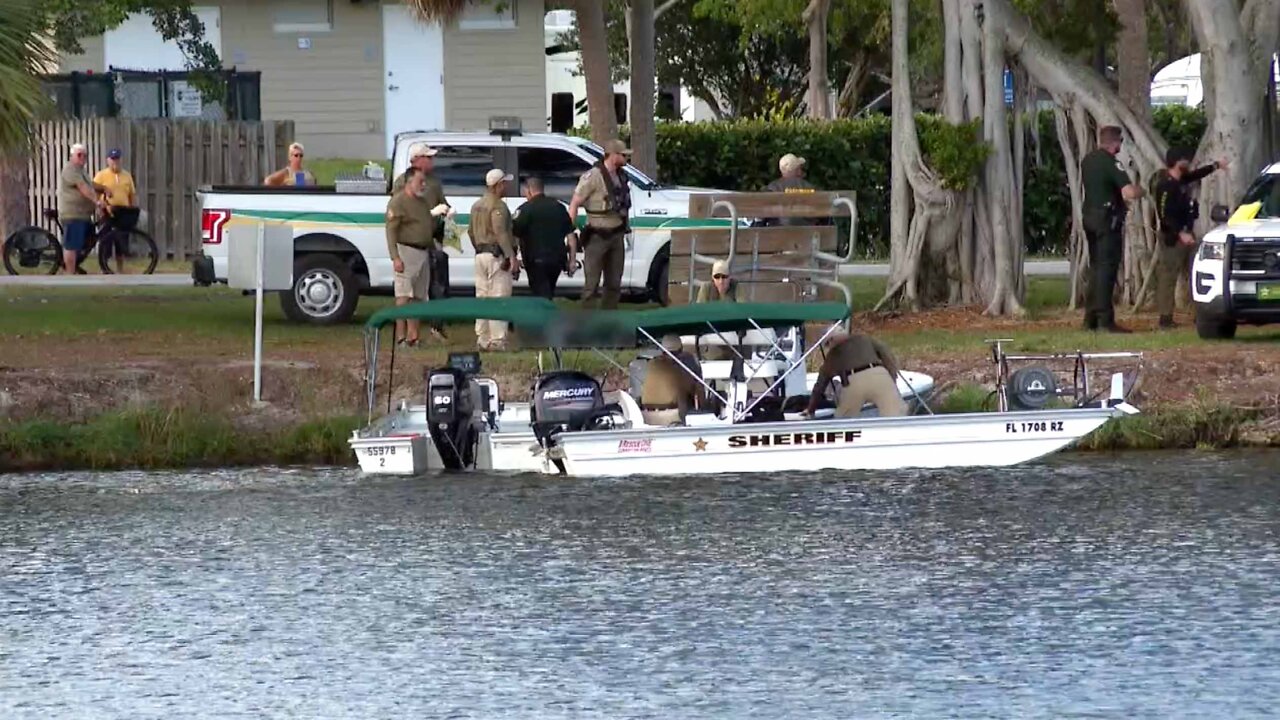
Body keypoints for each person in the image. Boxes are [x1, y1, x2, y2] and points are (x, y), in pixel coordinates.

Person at [1153, 147, 1227, 328]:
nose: (1188, 163)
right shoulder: (1165, 185)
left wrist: (1216, 165)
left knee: (1195, 273)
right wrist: (1180, 233)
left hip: (1188, 234)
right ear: (1177, 163)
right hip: (1173, 237)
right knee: (1168, 276)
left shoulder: (1181, 181)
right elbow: (1164, 215)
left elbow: (1196, 174)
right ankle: (1165, 318)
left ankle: (1200, 314)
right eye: (1185, 160)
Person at [1080, 126, 1145, 333]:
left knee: (1096, 267)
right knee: (1107, 270)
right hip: (1107, 220)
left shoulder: (1087, 160)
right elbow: (1128, 193)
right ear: (1116, 142)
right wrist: (1142, 189)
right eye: (1120, 143)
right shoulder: (1111, 163)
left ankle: (1090, 318)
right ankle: (1105, 321)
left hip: (1089, 216)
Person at [392, 142, 451, 337]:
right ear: (416, 160)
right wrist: (395, 256)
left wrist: (446, 211)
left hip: (428, 244)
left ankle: (415, 335)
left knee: (422, 292)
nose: (432, 161)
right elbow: (394, 223)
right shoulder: (403, 184)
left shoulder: (433, 182)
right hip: (407, 248)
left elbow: (441, 204)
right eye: (428, 157)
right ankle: (401, 336)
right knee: (403, 294)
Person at [567, 138, 631, 309]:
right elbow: (574, 203)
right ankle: (588, 321)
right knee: (592, 283)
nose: (626, 158)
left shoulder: (621, 176)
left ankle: (608, 318)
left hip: (616, 233)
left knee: (614, 281)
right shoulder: (593, 176)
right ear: (613, 155)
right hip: (597, 235)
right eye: (623, 155)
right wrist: (568, 231)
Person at [470, 169, 520, 350]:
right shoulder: (498, 206)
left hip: (480, 255)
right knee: (499, 297)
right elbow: (501, 232)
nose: (506, 186)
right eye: (504, 183)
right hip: (496, 257)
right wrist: (510, 256)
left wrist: (478, 247)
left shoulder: (476, 205)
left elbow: (470, 232)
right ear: (498, 185)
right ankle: (497, 340)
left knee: (482, 297)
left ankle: (482, 339)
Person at [803, 332, 907, 419]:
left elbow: (820, 385)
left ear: (831, 340)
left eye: (827, 344)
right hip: (880, 375)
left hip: (854, 382)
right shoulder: (865, 338)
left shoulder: (833, 355)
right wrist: (892, 378)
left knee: (844, 420)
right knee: (897, 415)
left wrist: (810, 409)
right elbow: (886, 353)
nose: (828, 347)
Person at [512, 176, 578, 299]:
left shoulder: (525, 209)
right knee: (548, 291)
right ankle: (546, 315)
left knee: (541, 295)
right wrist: (572, 260)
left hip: (535, 260)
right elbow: (571, 237)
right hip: (557, 260)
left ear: (528, 190)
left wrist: (513, 259)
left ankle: (545, 317)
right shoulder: (559, 207)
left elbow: (514, 236)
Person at [58, 143, 105, 275]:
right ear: (72, 156)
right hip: (73, 214)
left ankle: (74, 267)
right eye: (79, 155)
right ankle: (70, 274)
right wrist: (97, 201)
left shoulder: (81, 170)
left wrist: (104, 188)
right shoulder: (70, 169)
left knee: (88, 240)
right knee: (72, 245)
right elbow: (83, 187)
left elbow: (89, 184)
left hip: (83, 215)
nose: (82, 157)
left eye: (85, 155)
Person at [640, 334, 704, 426]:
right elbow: (697, 387)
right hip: (675, 415)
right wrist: (704, 409)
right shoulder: (686, 361)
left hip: (646, 415)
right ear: (681, 348)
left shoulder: (651, 364)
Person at [92, 148, 137, 273]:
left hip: (123, 212)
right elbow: (94, 191)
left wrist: (132, 208)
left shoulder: (127, 175)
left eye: (117, 159)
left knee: (121, 241)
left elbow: (132, 194)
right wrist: (98, 206)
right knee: (106, 240)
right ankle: (104, 267)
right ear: (108, 160)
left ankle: (120, 269)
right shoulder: (101, 175)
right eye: (112, 159)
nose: (115, 162)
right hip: (107, 211)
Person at [763, 153, 824, 227]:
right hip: (807, 235)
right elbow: (822, 214)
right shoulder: (809, 187)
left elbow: (763, 216)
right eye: (800, 168)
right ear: (797, 170)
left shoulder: (772, 188)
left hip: (778, 235)